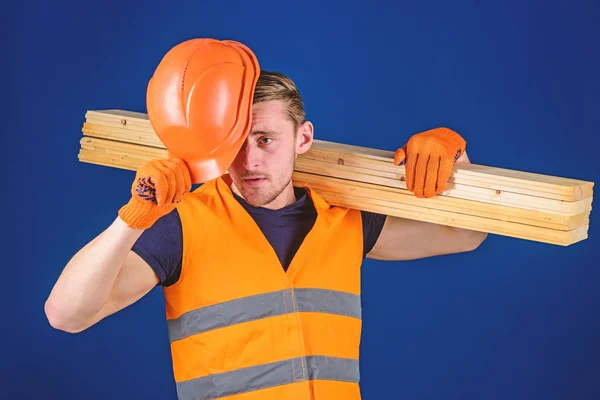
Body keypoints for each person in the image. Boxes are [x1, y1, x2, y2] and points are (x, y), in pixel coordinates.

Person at [45, 71, 487, 399]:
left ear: (303, 138)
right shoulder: (184, 224)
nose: (250, 160)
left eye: (266, 139)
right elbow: (66, 314)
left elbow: (464, 235)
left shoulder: (344, 220)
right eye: (236, 142)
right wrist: (133, 217)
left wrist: (457, 158)